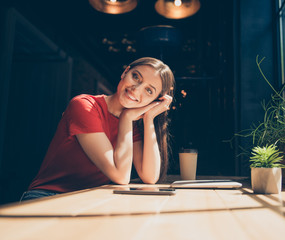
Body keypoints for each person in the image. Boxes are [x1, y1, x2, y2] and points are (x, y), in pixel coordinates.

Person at [21, 57, 174, 201]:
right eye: (136, 77)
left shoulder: (133, 125)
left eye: (149, 91)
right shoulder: (84, 106)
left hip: (87, 199)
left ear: (153, 101)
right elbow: (120, 176)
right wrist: (126, 118)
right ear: (125, 72)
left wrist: (149, 118)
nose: (136, 89)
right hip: (47, 196)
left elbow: (150, 177)